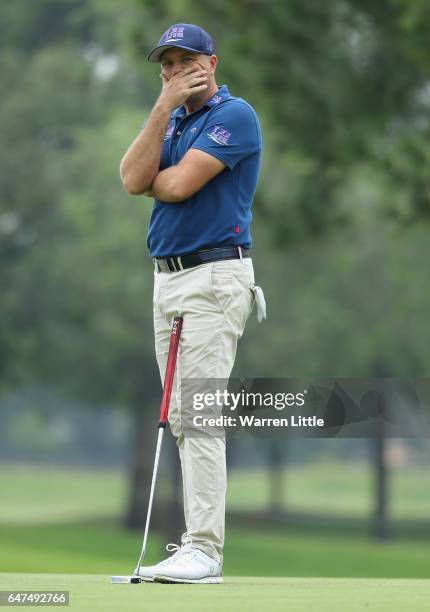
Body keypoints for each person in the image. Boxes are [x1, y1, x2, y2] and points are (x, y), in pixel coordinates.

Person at [120, 22, 265, 584]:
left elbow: (176, 186)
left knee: (200, 414)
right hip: (168, 282)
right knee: (182, 416)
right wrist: (163, 108)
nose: (173, 71)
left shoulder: (235, 116)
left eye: (184, 62)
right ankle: (194, 545)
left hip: (214, 277)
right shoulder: (171, 118)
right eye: (166, 63)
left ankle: (204, 550)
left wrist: (161, 173)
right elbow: (134, 178)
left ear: (212, 63)